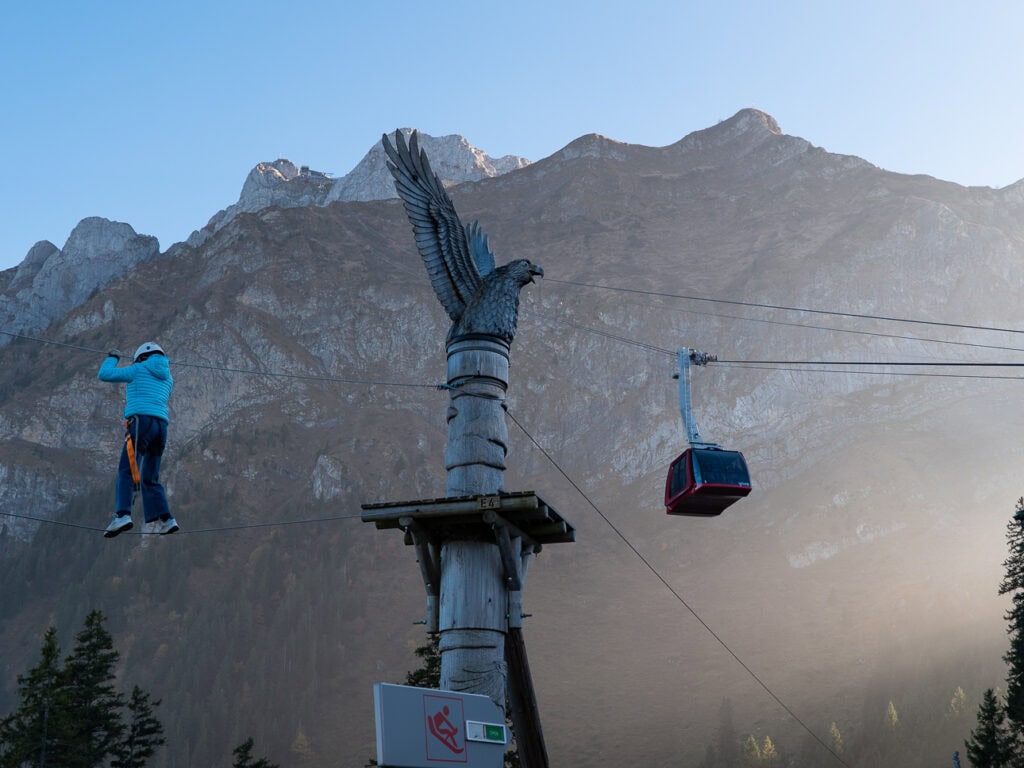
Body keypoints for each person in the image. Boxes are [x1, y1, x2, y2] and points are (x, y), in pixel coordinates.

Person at [98, 341, 178, 537]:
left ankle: (123, 514)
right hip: (161, 428)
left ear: (141, 357)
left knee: (127, 470)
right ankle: (166, 519)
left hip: (141, 423)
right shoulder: (169, 378)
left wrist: (113, 358)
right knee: (151, 477)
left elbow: (105, 375)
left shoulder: (137, 369)